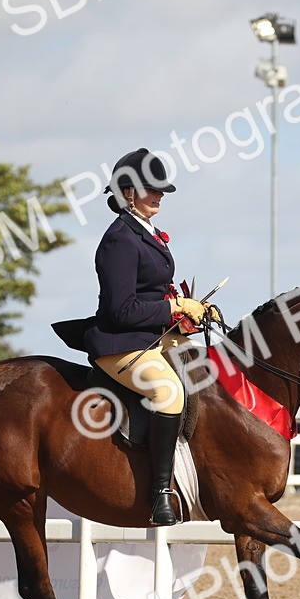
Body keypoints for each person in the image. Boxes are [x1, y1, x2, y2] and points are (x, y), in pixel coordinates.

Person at [82, 148, 207, 526]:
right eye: (150, 190)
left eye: (161, 190)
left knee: (206, 368)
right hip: (119, 342)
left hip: (152, 335)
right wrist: (174, 309)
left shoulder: (148, 233)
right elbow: (121, 309)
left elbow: (154, 293)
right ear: (127, 192)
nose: (160, 196)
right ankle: (160, 493)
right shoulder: (119, 239)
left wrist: (185, 313)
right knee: (168, 393)